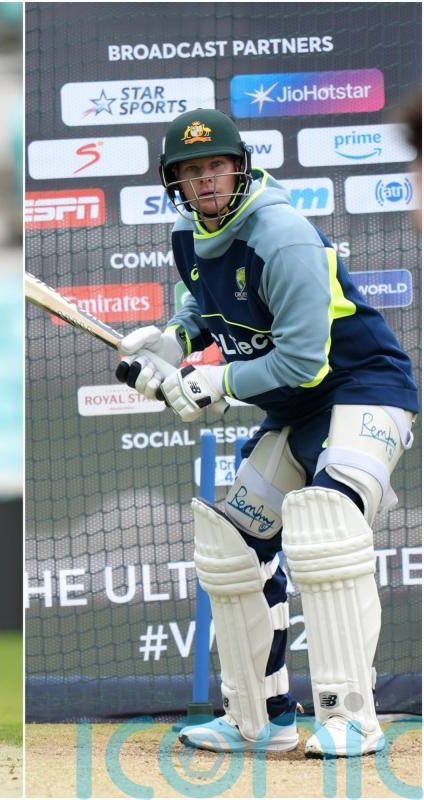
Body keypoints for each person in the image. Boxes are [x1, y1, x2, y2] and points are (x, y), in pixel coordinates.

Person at [115, 108, 418, 758]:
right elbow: (202, 303)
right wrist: (173, 343)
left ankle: (351, 718)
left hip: (366, 386)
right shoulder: (187, 232)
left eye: (215, 168)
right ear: (176, 184)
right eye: (191, 173)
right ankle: (260, 720)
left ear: (239, 167)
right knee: (231, 544)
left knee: (329, 516)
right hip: (299, 410)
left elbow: (305, 360)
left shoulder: (281, 236)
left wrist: (218, 383)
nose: (206, 183)